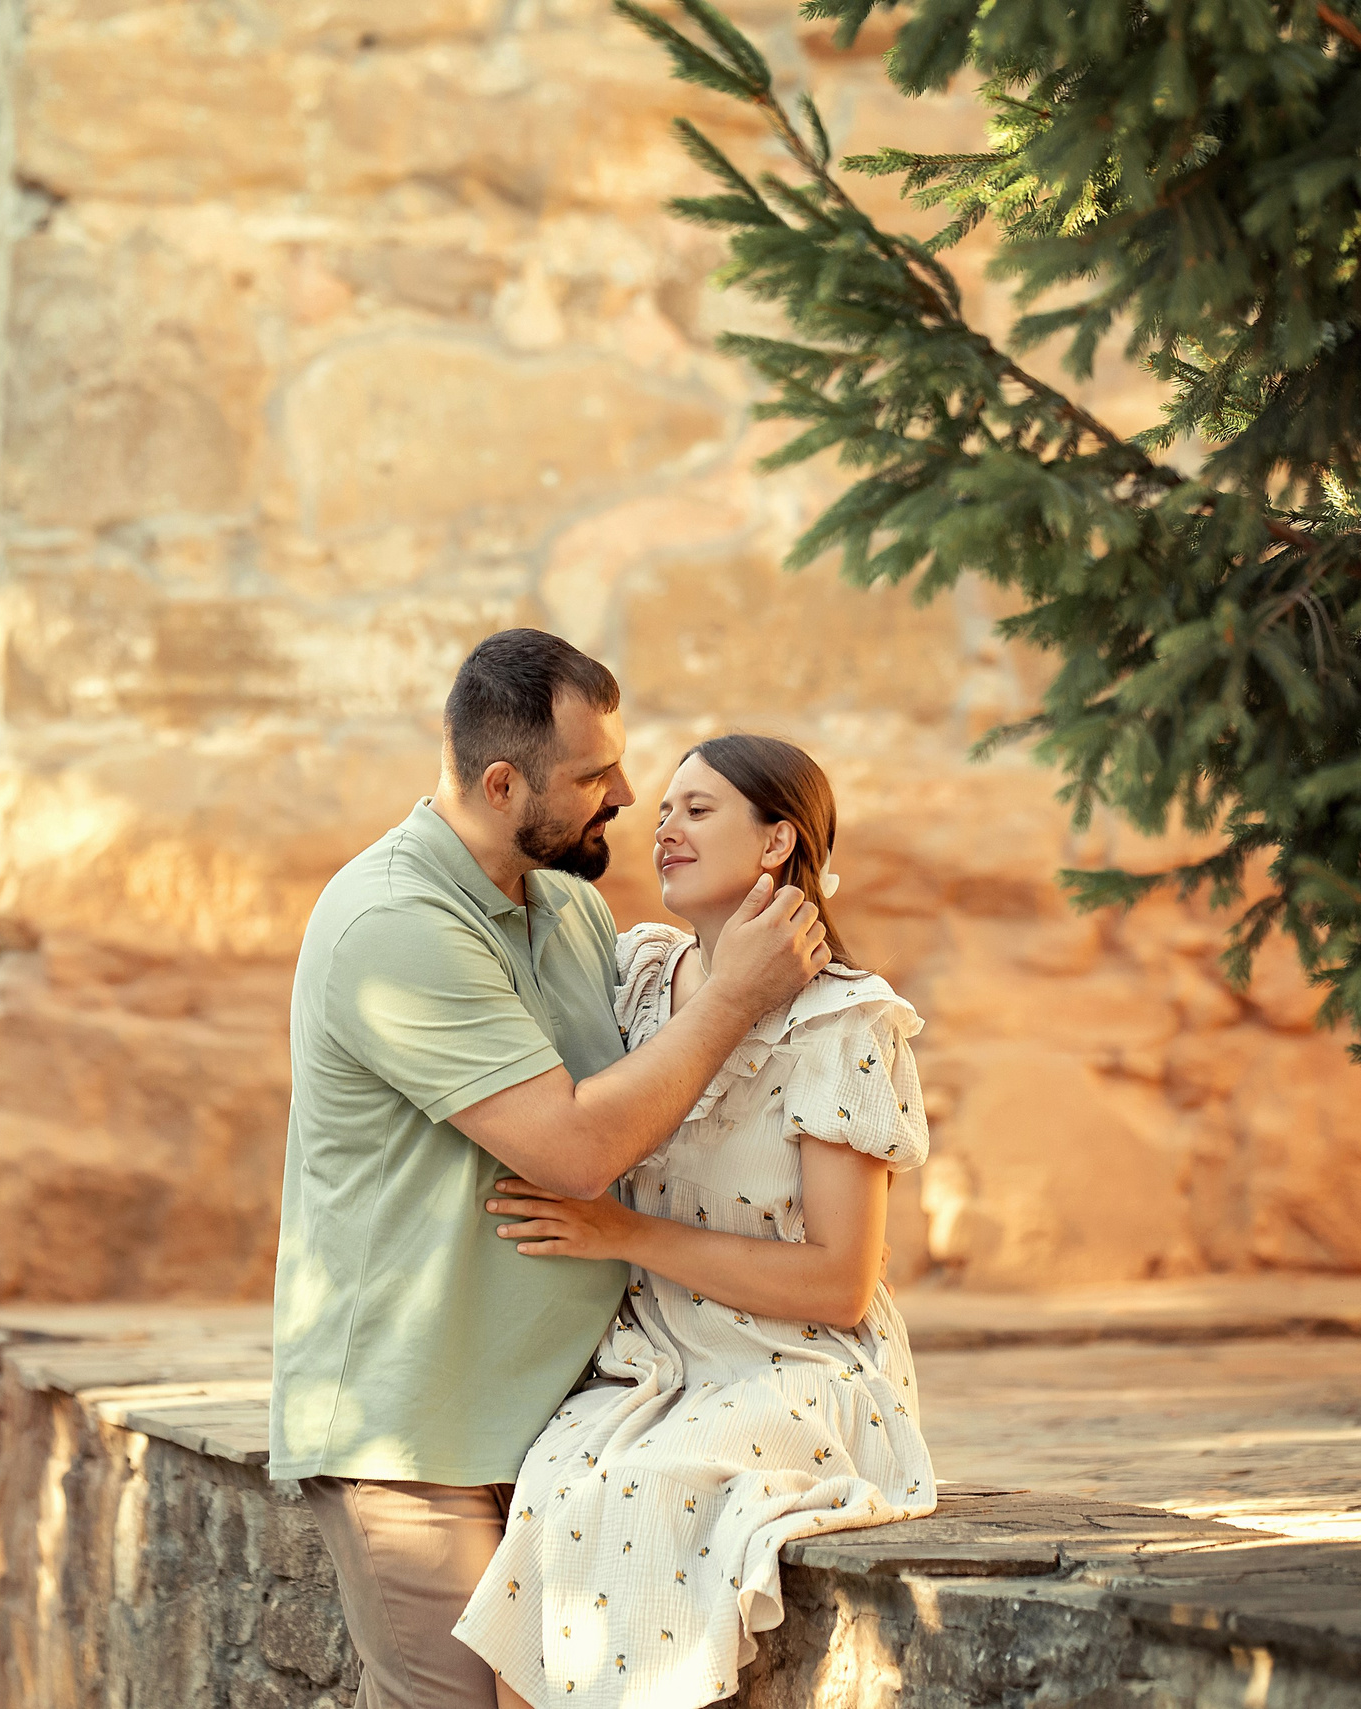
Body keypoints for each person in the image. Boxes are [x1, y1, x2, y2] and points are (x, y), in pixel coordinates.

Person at [269, 630, 833, 1709]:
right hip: (414, 1437)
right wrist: (735, 996)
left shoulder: (567, 907)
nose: (626, 793)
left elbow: (655, 1100)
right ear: (498, 782)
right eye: (591, 776)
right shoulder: (394, 922)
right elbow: (575, 1148)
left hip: (560, 1433)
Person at [454, 734, 936, 1708]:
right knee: (550, 1485)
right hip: (648, 1365)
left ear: (775, 844)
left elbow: (840, 1282)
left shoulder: (843, 1022)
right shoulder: (636, 974)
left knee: (654, 1487)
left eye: (698, 808)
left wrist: (624, 1234)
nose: (662, 825)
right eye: (664, 808)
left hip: (790, 1366)